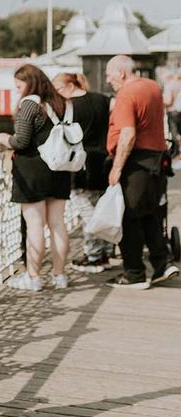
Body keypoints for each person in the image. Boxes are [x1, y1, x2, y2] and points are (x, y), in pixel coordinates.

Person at [0, 65, 72, 291]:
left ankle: (34, 277)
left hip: (32, 170)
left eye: (19, 86)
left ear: (30, 83)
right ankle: (60, 275)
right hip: (59, 168)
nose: (17, 91)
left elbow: (21, 141)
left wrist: (3, 137)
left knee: (35, 225)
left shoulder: (29, 104)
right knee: (57, 223)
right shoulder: (61, 102)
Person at [104, 55, 179, 288]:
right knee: (150, 214)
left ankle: (134, 273)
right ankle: (161, 264)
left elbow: (128, 134)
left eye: (109, 75)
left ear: (121, 73)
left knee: (129, 216)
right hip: (156, 160)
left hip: (136, 161)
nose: (108, 80)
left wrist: (117, 168)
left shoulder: (127, 94)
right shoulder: (153, 87)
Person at [52, 72, 112, 271]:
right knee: (102, 208)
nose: (57, 95)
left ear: (69, 86)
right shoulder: (103, 100)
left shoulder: (70, 108)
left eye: (58, 90)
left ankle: (93, 255)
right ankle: (105, 251)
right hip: (104, 161)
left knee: (88, 211)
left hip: (82, 165)